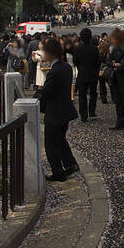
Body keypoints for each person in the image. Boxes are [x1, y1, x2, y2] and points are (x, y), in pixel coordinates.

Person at [44, 35, 80, 182]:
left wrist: (37, 95)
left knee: (51, 143)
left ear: (50, 53)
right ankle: (70, 163)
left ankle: (58, 171)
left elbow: (47, 92)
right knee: (60, 140)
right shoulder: (65, 67)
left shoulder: (55, 71)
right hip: (65, 109)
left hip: (55, 112)